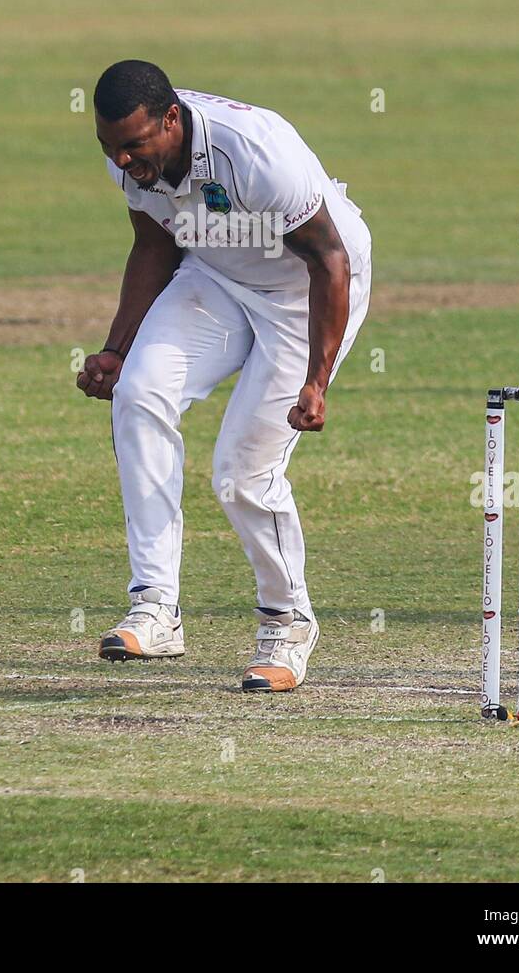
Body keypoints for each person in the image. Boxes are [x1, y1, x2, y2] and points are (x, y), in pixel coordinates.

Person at [78, 60, 371, 691]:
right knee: (139, 393)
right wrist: (115, 349)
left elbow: (330, 260)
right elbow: (155, 244)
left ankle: (286, 626)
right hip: (217, 277)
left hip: (304, 293)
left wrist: (317, 379)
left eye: (134, 146)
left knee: (243, 474)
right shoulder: (130, 158)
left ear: (172, 119)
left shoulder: (258, 154)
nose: (123, 161)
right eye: (110, 148)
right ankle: (155, 606)